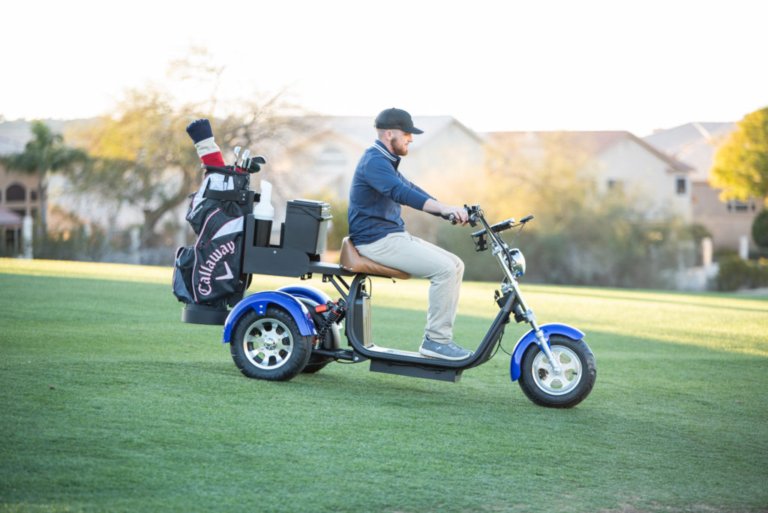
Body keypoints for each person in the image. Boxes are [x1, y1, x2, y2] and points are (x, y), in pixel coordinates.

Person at [347, 107, 472, 361]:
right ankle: (436, 341)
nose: (411, 139)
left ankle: (439, 339)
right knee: (445, 270)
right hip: (376, 241)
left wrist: (446, 211)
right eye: (406, 134)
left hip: (392, 236)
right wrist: (444, 209)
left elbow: (410, 187)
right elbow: (401, 193)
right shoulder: (374, 161)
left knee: (456, 265)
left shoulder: (384, 161)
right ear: (389, 134)